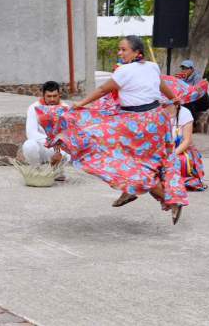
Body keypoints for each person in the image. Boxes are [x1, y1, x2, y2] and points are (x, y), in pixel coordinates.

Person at [37, 35, 187, 224]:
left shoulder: (124, 71)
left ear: (136, 52)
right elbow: (162, 85)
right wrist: (174, 98)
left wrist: (79, 105)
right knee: (139, 162)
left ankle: (168, 199)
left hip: (136, 124)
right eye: (119, 49)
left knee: (113, 154)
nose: (119, 52)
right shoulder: (152, 66)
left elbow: (102, 91)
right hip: (155, 121)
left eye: (123, 49)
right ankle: (131, 190)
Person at [22, 81, 69, 181]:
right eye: (49, 96)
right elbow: (31, 134)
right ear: (43, 95)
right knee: (29, 145)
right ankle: (36, 171)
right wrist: (52, 143)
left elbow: (68, 133)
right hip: (43, 146)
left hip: (60, 148)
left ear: (59, 94)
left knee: (66, 153)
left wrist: (58, 150)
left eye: (55, 96)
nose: (52, 99)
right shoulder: (33, 108)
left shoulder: (65, 108)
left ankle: (58, 170)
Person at [170, 105, 207, 191]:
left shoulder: (184, 113)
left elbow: (187, 141)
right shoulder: (157, 111)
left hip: (181, 149)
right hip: (162, 148)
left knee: (181, 160)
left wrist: (172, 154)